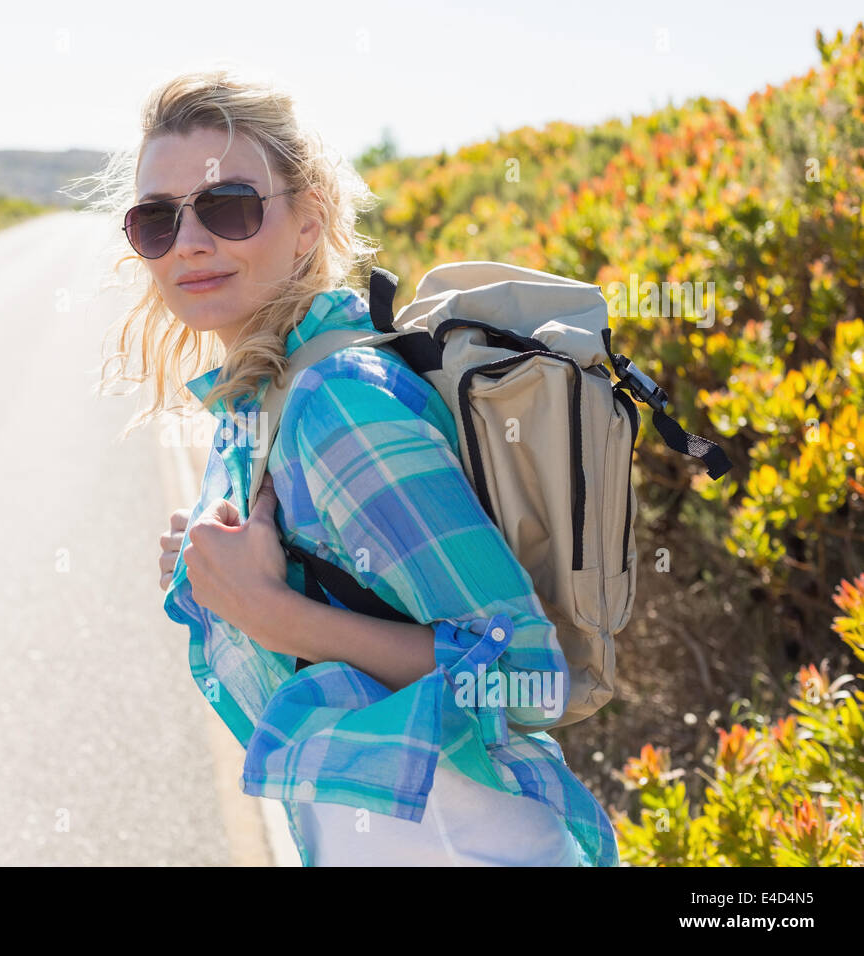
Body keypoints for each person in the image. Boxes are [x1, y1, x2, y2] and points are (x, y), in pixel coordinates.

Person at [67, 68, 618, 867]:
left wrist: (270, 612)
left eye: (229, 206)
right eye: (157, 220)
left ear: (307, 222)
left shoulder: (335, 403)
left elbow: (530, 677)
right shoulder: (267, 392)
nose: (189, 242)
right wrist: (218, 575)